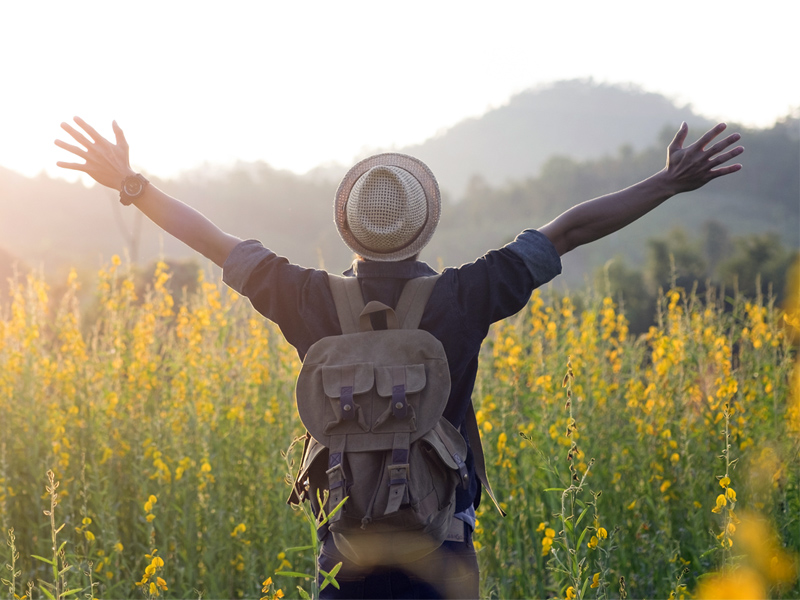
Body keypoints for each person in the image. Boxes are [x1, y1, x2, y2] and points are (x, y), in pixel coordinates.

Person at [55, 117, 743, 599]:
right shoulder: (468, 294)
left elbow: (211, 239)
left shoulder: (306, 299)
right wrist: (667, 184)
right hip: (441, 553)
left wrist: (131, 184)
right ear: (425, 225)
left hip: (344, 554)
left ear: (348, 226)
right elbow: (570, 230)